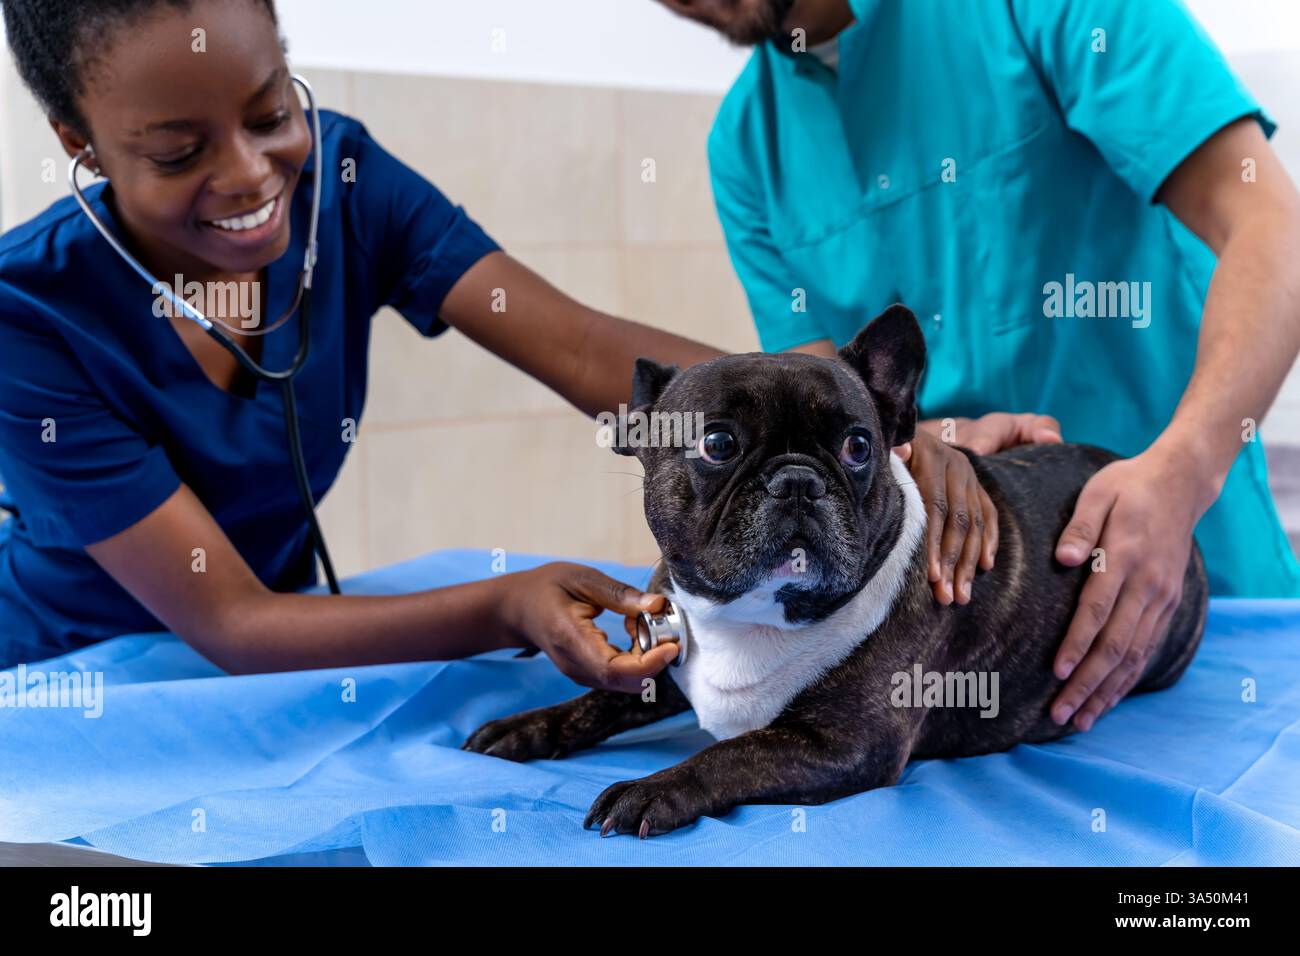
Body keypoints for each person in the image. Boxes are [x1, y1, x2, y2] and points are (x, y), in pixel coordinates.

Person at [0, 0, 993, 680]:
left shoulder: (341, 180)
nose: (254, 175)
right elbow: (229, 620)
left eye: (270, 112)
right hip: (72, 676)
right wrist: (499, 605)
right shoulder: (29, 318)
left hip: (270, 657)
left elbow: (583, 350)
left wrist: (860, 431)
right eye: (178, 152)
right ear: (78, 144)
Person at [653, 0, 1300, 730]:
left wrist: (1183, 473)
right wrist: (937, 434)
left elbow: (1275, 228)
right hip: (967, 643)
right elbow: (828, 415)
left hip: (1196, 582)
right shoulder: (744, 147)